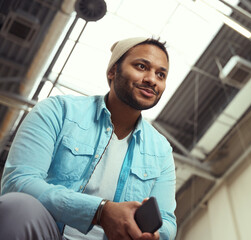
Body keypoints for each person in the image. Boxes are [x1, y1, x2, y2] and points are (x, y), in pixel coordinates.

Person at [0, 37, 177, 240]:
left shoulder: (161, 150)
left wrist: (154, 236)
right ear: (112, 71)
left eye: (160, 74)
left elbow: (167, 222)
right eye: (141, 66)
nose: (152, 79)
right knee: (18, 207)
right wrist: (100, 211)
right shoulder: (58, 111)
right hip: (48, 232)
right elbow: (19, 182)